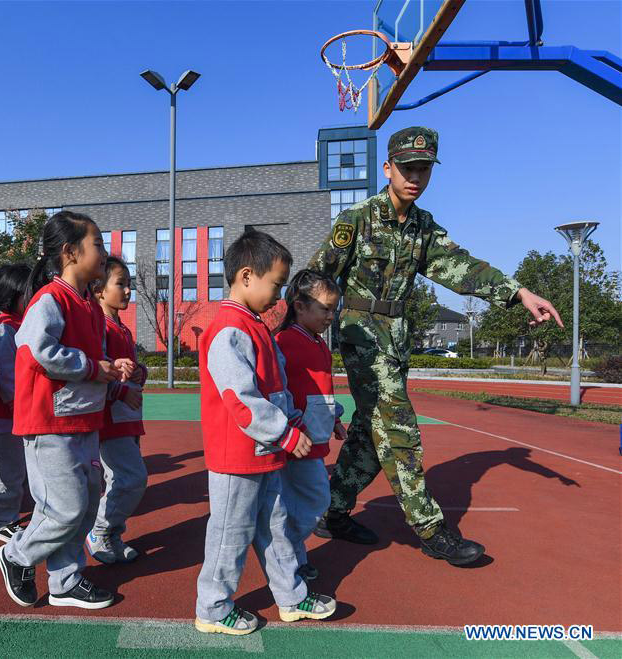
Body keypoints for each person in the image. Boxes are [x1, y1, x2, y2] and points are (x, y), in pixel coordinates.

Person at [309, 126, 563, 566]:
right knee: (400, 427)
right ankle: (431, 529)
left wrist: (518, 292)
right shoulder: (358, 219)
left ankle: (332, 512)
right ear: (388, 168)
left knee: (371, 435)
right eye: (407, 168)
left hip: (398, 336)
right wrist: (287, 329)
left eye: (423, 169)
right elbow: (317, 275)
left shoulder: (423, 228)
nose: (415, 177)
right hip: (361, 336)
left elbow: (462, 267)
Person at [194, 230, 336, 637]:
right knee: (229, 535)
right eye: (275, 284)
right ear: (246, 276)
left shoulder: (254, 325)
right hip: (237, 457)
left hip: (265, 452)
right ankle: (213, 607)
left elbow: (277, 389)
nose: (279, 296)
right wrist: (286, 432)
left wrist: (292, 426)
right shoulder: (228, 329)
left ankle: (290, 597)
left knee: (276, 528)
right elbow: (243, 400)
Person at [0, 211, 134, 610]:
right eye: (98, 245)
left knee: (87, 502)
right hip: (49, 420)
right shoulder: (50, 300)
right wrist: (95, 367)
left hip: (82, 417)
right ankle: (17, 554)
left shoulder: (88, 304)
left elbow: (96, 357)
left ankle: (65, 580)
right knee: (65, 506)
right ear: (70, 252)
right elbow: (39, 350)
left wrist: (112, 373)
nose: (105, 253)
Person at [274, 269, 347, 582]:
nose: (330, 315)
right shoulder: (284, 340)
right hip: (296, 438)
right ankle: (286, 552)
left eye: (334, 309)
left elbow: (319, 389)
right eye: (325, 308)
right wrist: (292, 425)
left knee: (298, 500)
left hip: (312, 436)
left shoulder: (318, 342)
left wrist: (335, 419)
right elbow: (279, 388)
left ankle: (293, 557)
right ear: (300, 305)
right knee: (318, 498)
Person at [85, 256, 148, 565]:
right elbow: (98, 373)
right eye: (120, 284)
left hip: (129, 417)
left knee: (123, 478)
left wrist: (140, 373)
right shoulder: (100, 327)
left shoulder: (121, 328)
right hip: (111, 417)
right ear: (99, 290)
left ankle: (113, 533)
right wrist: (121, 389)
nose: (127, 291)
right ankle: (99, 529)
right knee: (131, 478)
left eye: (129, 284)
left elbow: (130, 368)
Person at [0, 262, 32, 542]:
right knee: (7, 472)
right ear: (14, 294)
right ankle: (4, 521)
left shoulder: (18, 326)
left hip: (18, 411)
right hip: (5, 412)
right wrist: (16, 403)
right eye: (28, 292)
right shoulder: (3, 330)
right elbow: (6, 374)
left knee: (13, 469)